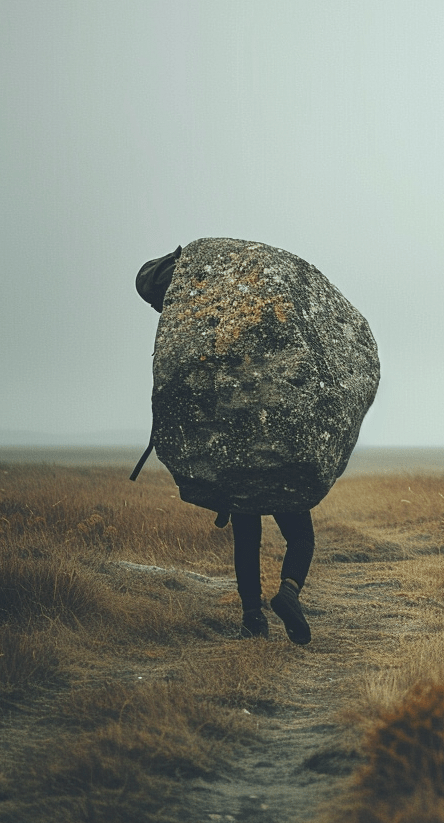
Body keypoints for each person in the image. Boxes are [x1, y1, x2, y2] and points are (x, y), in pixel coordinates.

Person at [135, 247, 314, 644]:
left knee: (246, 538)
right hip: (274, 446)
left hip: (232, 453)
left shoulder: (190, 330)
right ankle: (288, 592)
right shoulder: (245, 306)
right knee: (301, 536)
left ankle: (252, 618)